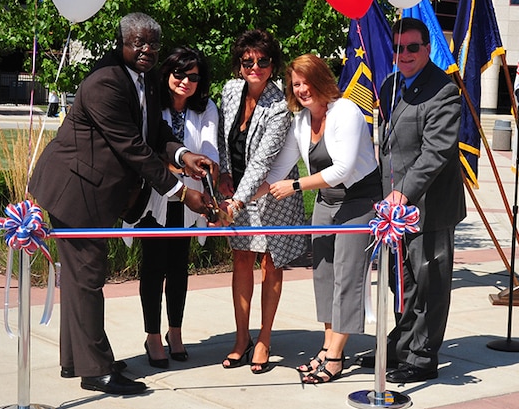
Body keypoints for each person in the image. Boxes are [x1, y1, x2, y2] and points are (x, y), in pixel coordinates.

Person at [29, 13, 215, 396]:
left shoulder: (142, 78)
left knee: (82, 280)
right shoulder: (105, 83)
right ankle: (95, 370)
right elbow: (133, 148)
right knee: (88, 277)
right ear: (123, 43)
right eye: (139, 44)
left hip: (89, 190)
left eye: (153, 45)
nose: (147, 51)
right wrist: (183, 193)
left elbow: (154, 131)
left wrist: (182, 156)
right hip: (74, 189)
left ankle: (76, 359)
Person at [259, 54, 381, 384]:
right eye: (295, 84)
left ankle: (337, 356)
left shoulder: (346, 111)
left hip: (358, 201)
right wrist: (242, 198)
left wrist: (296, 185)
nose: (301, 89)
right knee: (324, 274)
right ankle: (327, 346)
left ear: (321, 79)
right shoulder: (301, 121)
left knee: (348, 275)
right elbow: (278, 170)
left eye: (306, 81)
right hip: (327, 203)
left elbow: (342, 169)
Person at [362, 17, 464, 384]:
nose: (403, 54)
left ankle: (422, 357)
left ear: (426, 49)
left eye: (412, 48)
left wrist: (403, 191)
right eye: (398, 48)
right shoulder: (392, 86)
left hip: (428, 208)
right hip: (394, 209)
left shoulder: (444, 91)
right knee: (400, 280)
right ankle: (401, 342)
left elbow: (436, 152)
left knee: (427, 282)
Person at [217, 30, 307, 374]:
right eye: (248, 61)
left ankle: (265, 338)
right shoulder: (229, 91)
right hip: (236, 192)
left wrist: (237, 202)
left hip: (270, 195)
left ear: (273, 65)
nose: (255, 66)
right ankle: (242, 339)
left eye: (263, 61)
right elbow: (225, 138)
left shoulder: (280, 106)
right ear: (239, 65)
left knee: (271, 265)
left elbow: (262, 162)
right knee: (241, 262)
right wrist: (224, 173)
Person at [131, 48, 219, 368]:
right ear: (167, 73)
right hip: (154, 197)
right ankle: (153, 335)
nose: (185, 82)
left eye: (193, 77)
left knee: (179, 268)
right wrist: (179, 169)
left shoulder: (206, 108)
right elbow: (147, 149)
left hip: (190, 199)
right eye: (179, 74)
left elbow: (209, 150)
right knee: (153, 267)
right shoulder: (152, 104)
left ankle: (175, 332)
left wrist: (206, 176)